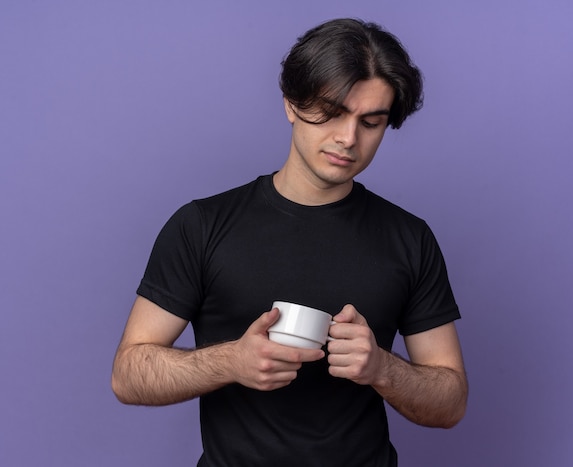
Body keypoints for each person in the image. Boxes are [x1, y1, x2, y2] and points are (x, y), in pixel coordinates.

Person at [112, 17, 468, 467]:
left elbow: (450, 401)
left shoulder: (409, 238)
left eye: (371, 122)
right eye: (332, 111)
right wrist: (231, 362)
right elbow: (128, 374)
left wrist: (383, 368)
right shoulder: (201, 225)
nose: (348, 138)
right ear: (290, 103)